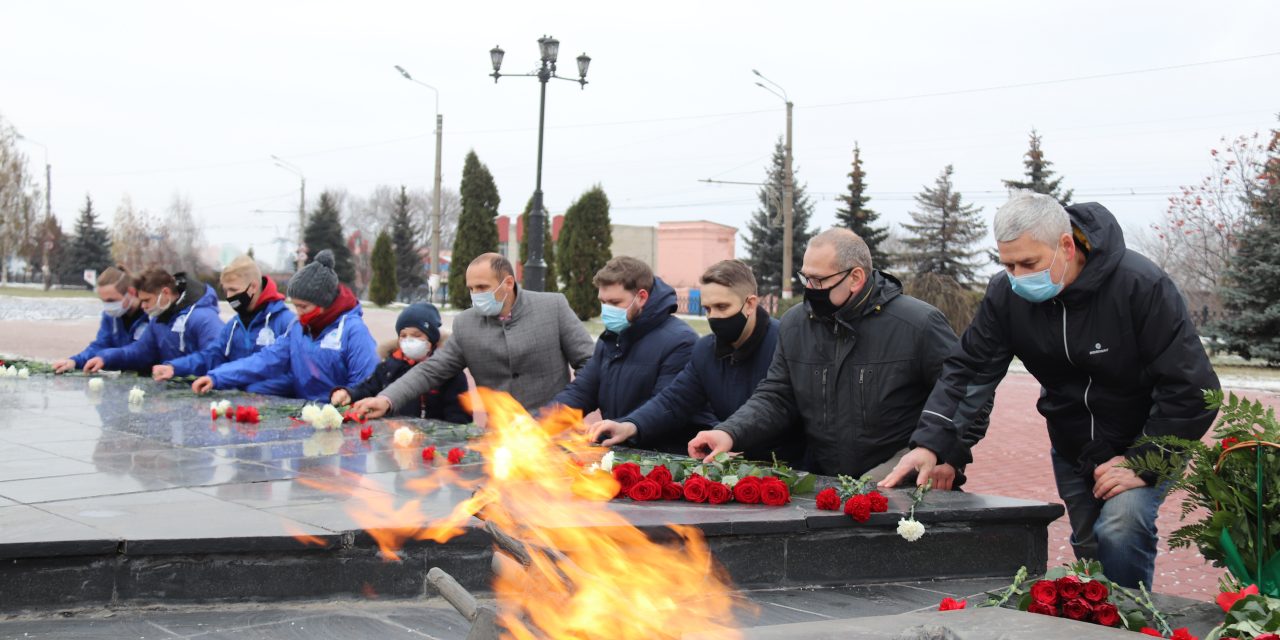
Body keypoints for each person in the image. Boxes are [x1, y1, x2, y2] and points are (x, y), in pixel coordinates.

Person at [881, 191, 1221, 589]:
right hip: (1073, 441)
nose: (1019, 276)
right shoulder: (1006, 295)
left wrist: (1142, 462)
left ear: (1066, 245)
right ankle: (1102, 618)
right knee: (1091, 545)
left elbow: (1192, 386)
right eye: (1008, 264)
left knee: (1122, 526)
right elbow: (969, 370)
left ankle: (1136, 621)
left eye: (1030, 263)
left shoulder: (1140, 285)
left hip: (1144, 435)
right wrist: (931, 442)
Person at [688, 228, 975, 486]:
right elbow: (776, 396)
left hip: (902, 469)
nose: (809, 289)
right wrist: (728, 433)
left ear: (855, 278)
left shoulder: (918, 324)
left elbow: (967, 394)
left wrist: (944, 454)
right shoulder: (795, 324)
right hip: (828, 477)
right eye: (805, 277)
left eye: (818, 280)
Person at [588, 259, 803, 463]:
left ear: (750, 304)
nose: (713, 317)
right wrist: (630, 425)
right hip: (730, 465)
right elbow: (675, 400)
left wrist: (732, 435)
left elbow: (780, 408)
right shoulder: (706, 350)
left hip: (789, 469)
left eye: (722, 306)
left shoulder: (784, 343)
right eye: (707, 309)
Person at [352, 253, 594, 419]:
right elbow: (432, 370)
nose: (475, 295)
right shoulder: (466, 324)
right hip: (501, 440)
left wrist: (565, 411)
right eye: (471, 288)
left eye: (482, 288)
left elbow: (589, 364)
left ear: (508, 283)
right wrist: (386, 399)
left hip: (554, 434)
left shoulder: (553, 307)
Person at [550, 256, 714, 447]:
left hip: (664, 459)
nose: (606, 310)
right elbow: (581, 391)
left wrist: (619, 428)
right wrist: (541, 423)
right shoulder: (610, 338)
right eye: (603, 302)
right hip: (620, 452)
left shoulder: (681, 341)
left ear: (642, 297)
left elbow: (667, 409)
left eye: (614, 302)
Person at [191, 250, 379, 402]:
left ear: (324, 302)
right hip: (307, 413)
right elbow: (265, 360)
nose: (298, 313)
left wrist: (347, 398)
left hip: (342, 417)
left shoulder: (353, 331)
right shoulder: (297, 328)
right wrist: (217, 377)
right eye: (295, 306)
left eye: (303, 307)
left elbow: (367, 382)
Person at [153, 255, 296, 395]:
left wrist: (251, 389)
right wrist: (174, 368)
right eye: (225, 290)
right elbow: (211, 356)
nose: (228, 296)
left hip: (271, 408)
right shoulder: (234, 325)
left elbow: (292, 374)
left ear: (253, 287)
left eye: (233, 290)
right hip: (239, 404)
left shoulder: (285, 322)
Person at [331, 302, 470, 423]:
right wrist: (349, 394)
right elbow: (368, 389)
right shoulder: (388, 367)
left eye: (417, 335)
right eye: (403, 335)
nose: (409, 340)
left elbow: (459, 415)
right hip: (393, 439)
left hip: (433, 444)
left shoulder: (448, 373)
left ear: (432, 339)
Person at [83, 269, 223, 375]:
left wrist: (175, 368)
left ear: (166, 293)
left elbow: (214, 356)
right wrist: (105, 358)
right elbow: (140, 351)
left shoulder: (204, 318)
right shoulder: (158, 319)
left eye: (147, 300)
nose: (143, 306)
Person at [54, 266, 147, 374]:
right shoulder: (111, 316)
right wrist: (74, 361)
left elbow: (141, 351)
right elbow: (101, 345)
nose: (108, 306)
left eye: (111, 300)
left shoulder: (150, 314)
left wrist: (106, 358)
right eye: (103, 301)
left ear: (131, 292)